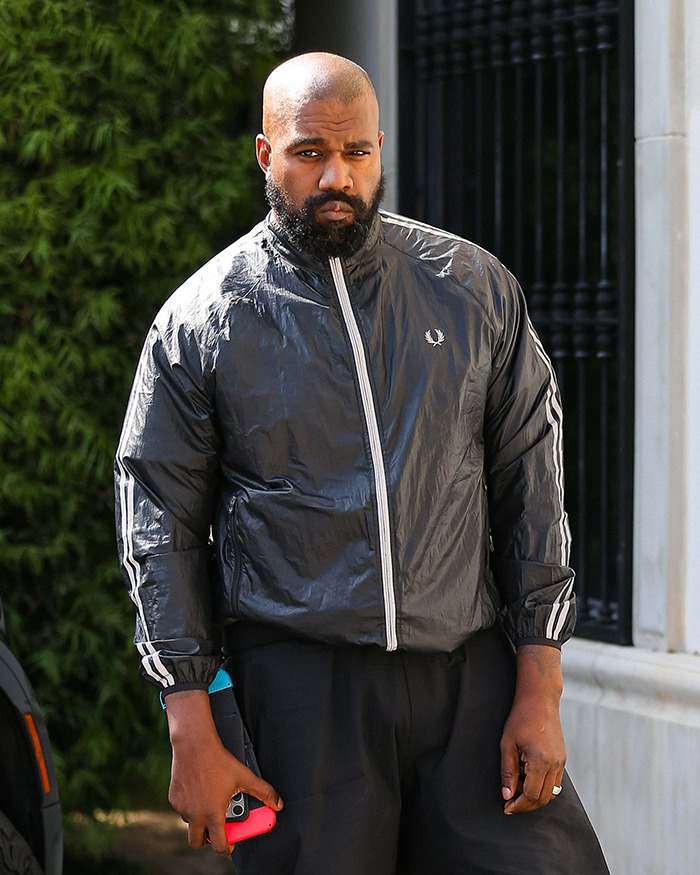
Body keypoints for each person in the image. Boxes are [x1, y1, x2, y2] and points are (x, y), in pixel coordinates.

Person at [115, 52, 609, 874]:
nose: (336, 175)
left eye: (357, 153)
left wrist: (540, 687)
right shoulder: (200, 321)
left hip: (469, 678)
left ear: (381, 146)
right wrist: (189, 719)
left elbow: (533, 484)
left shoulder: (474, 287)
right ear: (267, 155)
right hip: (302, 693)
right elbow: (157, 524)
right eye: (310, 152)